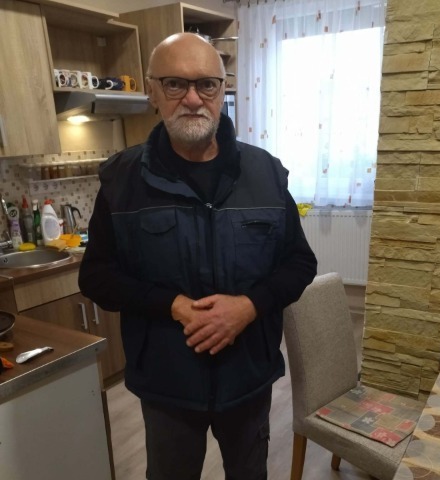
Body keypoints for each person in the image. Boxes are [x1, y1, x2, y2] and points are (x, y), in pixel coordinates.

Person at [78, 32, 317, 480]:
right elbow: (96, 277)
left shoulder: (265, 173)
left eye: (206, 84)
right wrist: (173, 305)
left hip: (248, 378)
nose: (192, 99)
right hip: (167, 383)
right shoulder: (122, 181)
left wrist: (248, 306)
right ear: (153, 92)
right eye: (174, 84)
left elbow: (301, 263)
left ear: (222, 91)